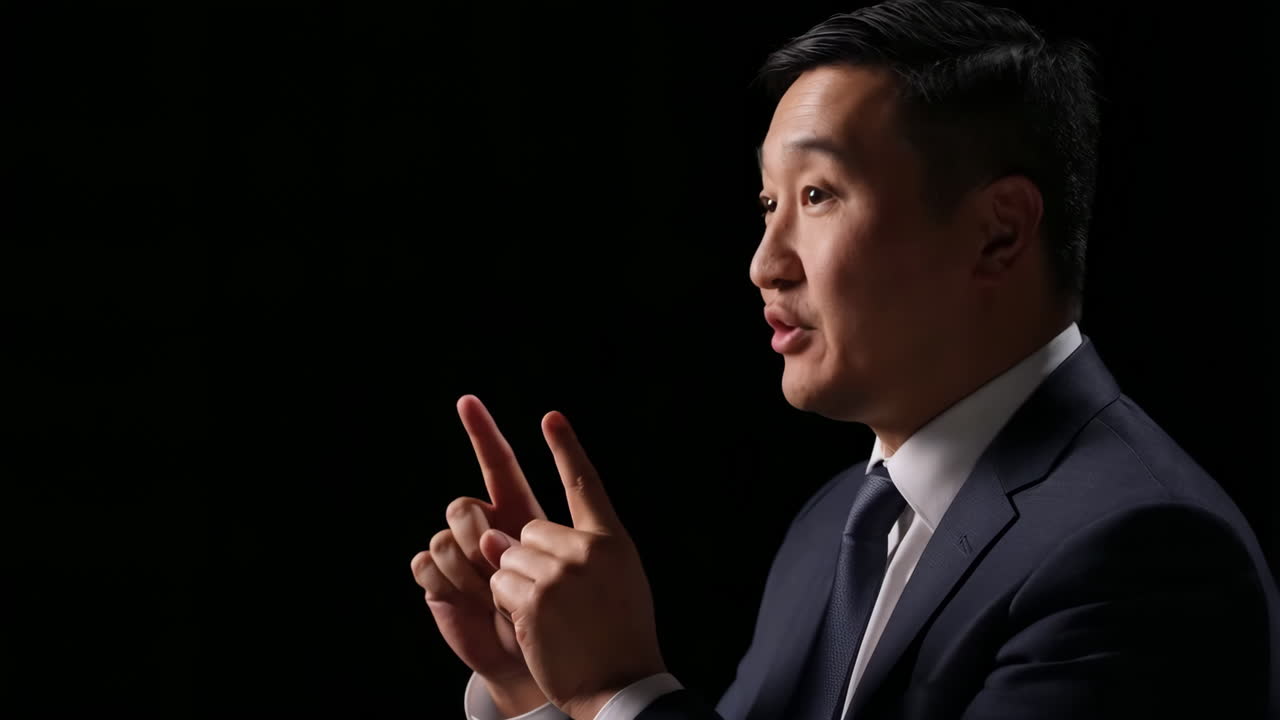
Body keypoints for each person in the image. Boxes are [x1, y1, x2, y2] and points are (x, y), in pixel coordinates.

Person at [410, 1, 1280, 718]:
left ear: (999, 232)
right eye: (768, 203)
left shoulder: (1147, 552)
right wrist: (536, 686)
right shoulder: (834, 526)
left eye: (818, 194)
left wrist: (617, 692)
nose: (764, 263)